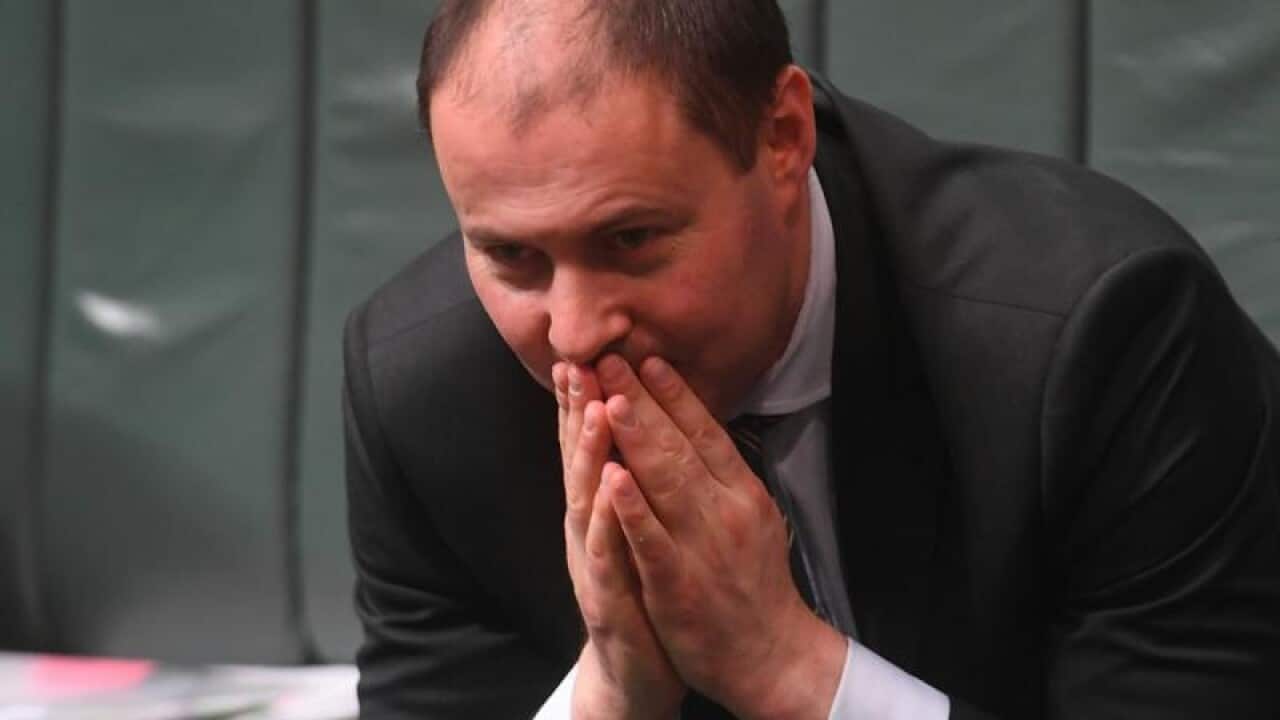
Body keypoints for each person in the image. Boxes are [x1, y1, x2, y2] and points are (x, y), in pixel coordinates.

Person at [342, 1, 1280, 718]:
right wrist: (610, 696)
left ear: (783, 137)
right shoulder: (425, 395)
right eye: (511, 258)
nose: (576, 335)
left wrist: (789, 669)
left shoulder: (1100, 333)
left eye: (632, 239)